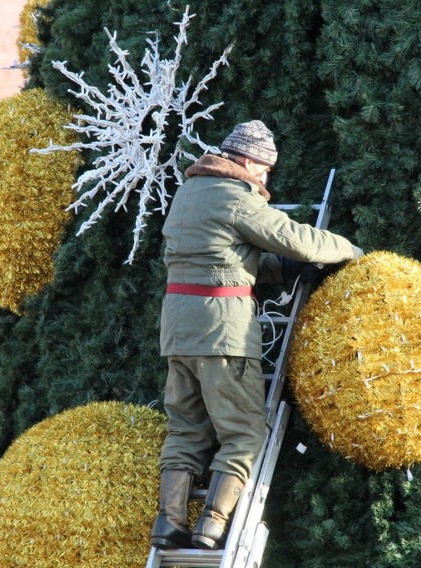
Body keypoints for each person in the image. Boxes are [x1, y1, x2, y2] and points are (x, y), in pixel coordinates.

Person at [150, 120, 364, 550]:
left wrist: (279, 270)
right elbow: (296, 238)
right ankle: (212, 523)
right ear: (248, 161)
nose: (264, 179)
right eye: (264, 170)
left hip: (177, 332)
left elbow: (216, 260)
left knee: (186, 430)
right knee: (244, 431)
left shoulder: (188, 194)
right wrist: (353, 252)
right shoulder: (235, 197)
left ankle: (169, 522)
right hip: (221, 332)